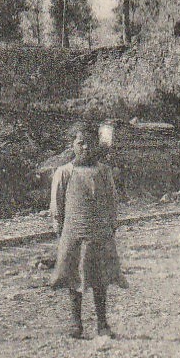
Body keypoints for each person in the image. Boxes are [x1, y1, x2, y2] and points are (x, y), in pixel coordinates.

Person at [49, 122, 127, 339]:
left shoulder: (103, 172)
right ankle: (76, 323)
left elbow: (112, 201)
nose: (85, 148)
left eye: (89, 144)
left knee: (100, 279)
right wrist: (60, 228)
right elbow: (57, 205)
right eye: (80, 143)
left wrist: (111, 224)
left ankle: (102, 323)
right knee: (74, 277)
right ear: (72, 145)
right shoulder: (64, 173)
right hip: (74, 232)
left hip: (99, 233)